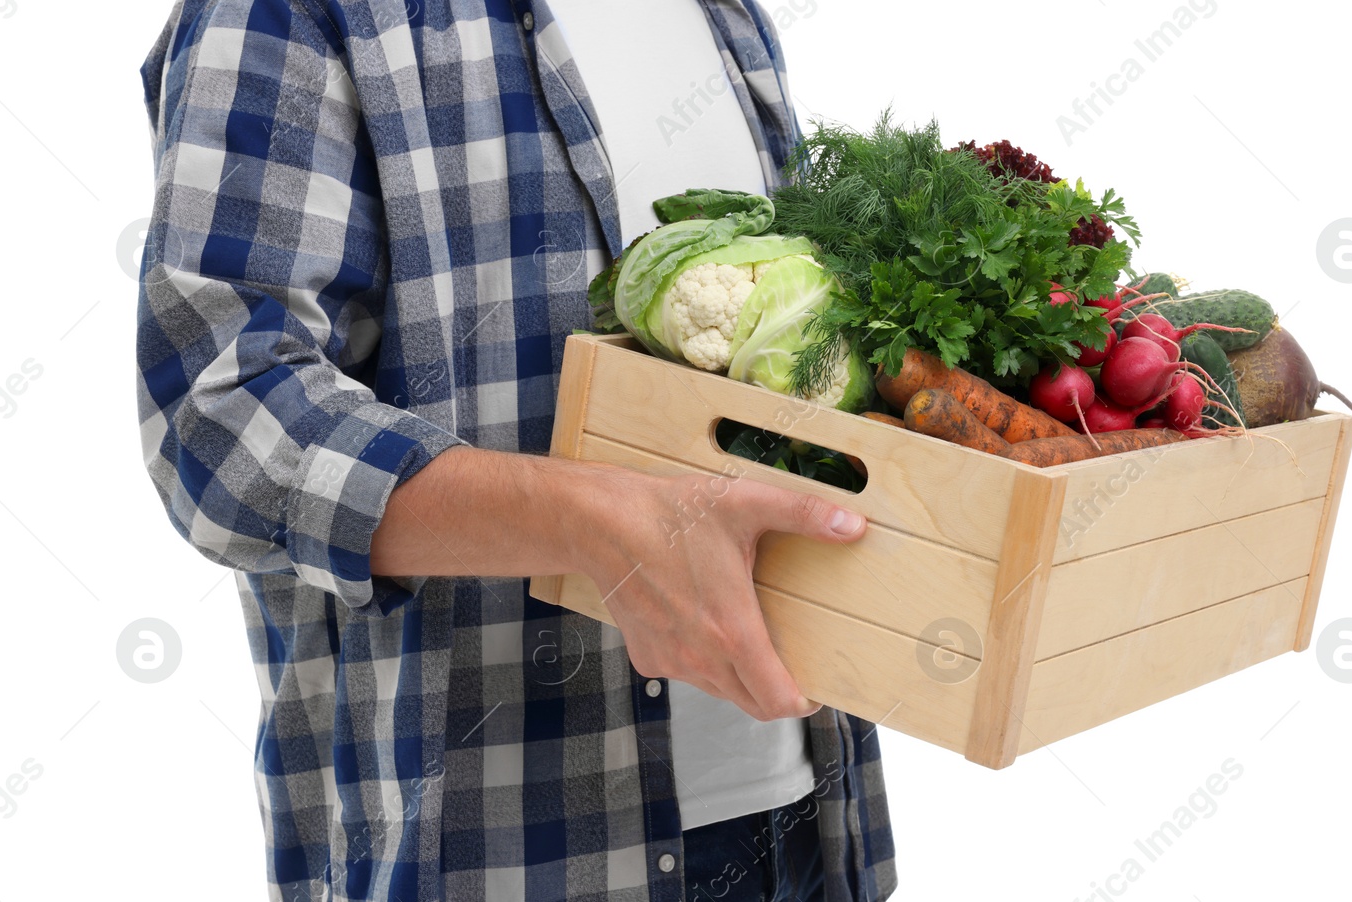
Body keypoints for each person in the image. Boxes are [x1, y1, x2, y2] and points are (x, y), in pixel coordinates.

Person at [133, 1, 897, 900]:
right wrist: (596, 528)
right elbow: (219, 414)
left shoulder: (725, 13)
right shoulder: (293, 13)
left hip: (803, 818)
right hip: (500, 852)